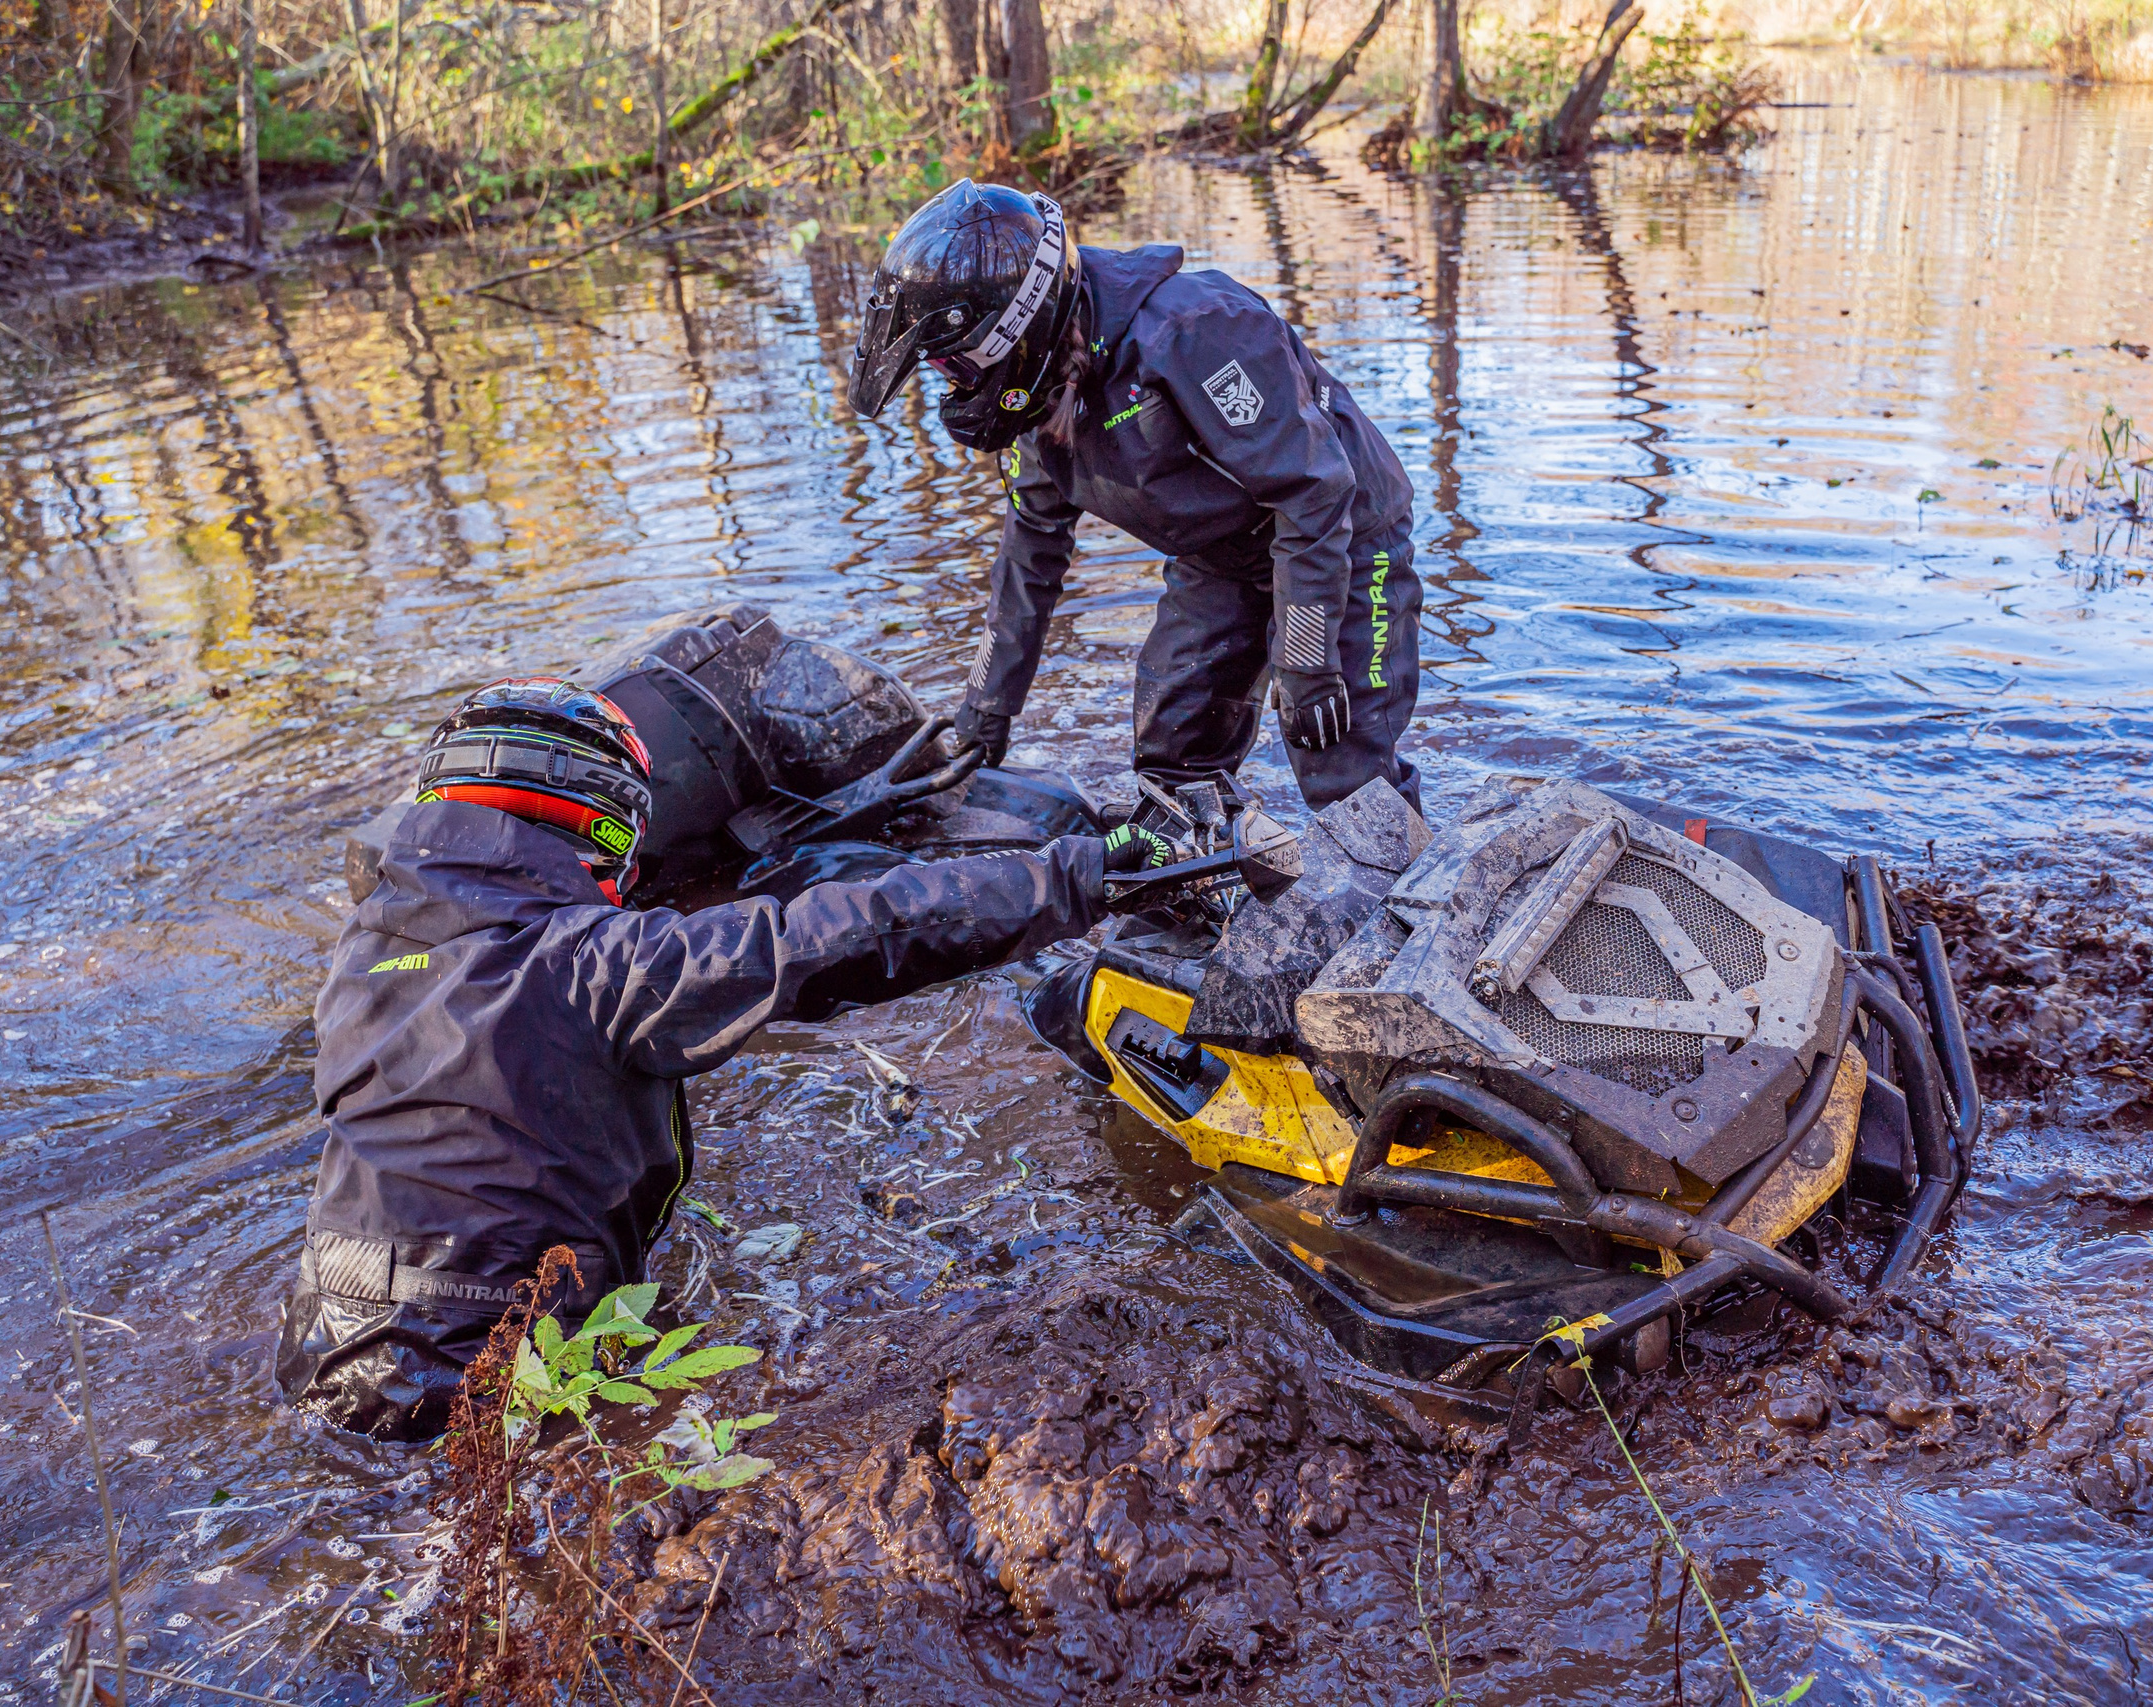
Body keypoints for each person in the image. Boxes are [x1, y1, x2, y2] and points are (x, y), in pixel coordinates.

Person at [276, 677, 1172, 1440]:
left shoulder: (363, 951)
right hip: (485, 1369)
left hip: (319, 1339)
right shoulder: (589, 966)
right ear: (605, 828)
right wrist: (1078, 875)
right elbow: (833, 937)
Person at [847, 179, 1423, 817]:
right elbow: (1029, 557)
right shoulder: (1039, 409)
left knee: (1341, 767)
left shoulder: (1194, 329)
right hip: (1221, 556)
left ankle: (1414, 901)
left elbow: (1313, 490)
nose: (952, 387)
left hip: (1343, 535)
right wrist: (986, 706)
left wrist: (1307, 659)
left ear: (1017, 332)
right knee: (1172, 756)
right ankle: (1201, 897)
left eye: (954, 367)